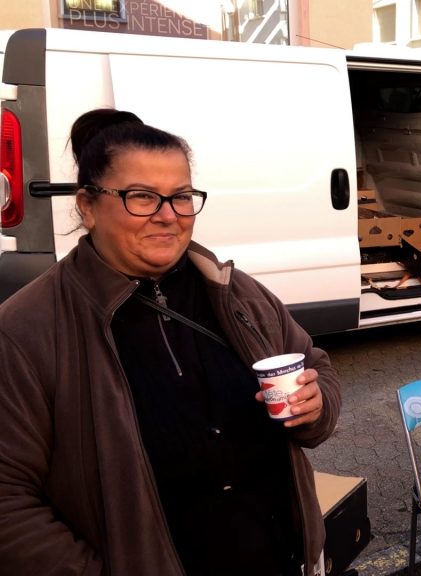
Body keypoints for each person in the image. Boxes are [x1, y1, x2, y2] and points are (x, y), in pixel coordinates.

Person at [0, 109, 342, 575]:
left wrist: (315, 404)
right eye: (141, 197)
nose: (167, 217)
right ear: (87, 205)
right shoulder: (26, 329)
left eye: (181, 197)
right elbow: (8, 502)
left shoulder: (236, 292)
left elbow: (316, 365)